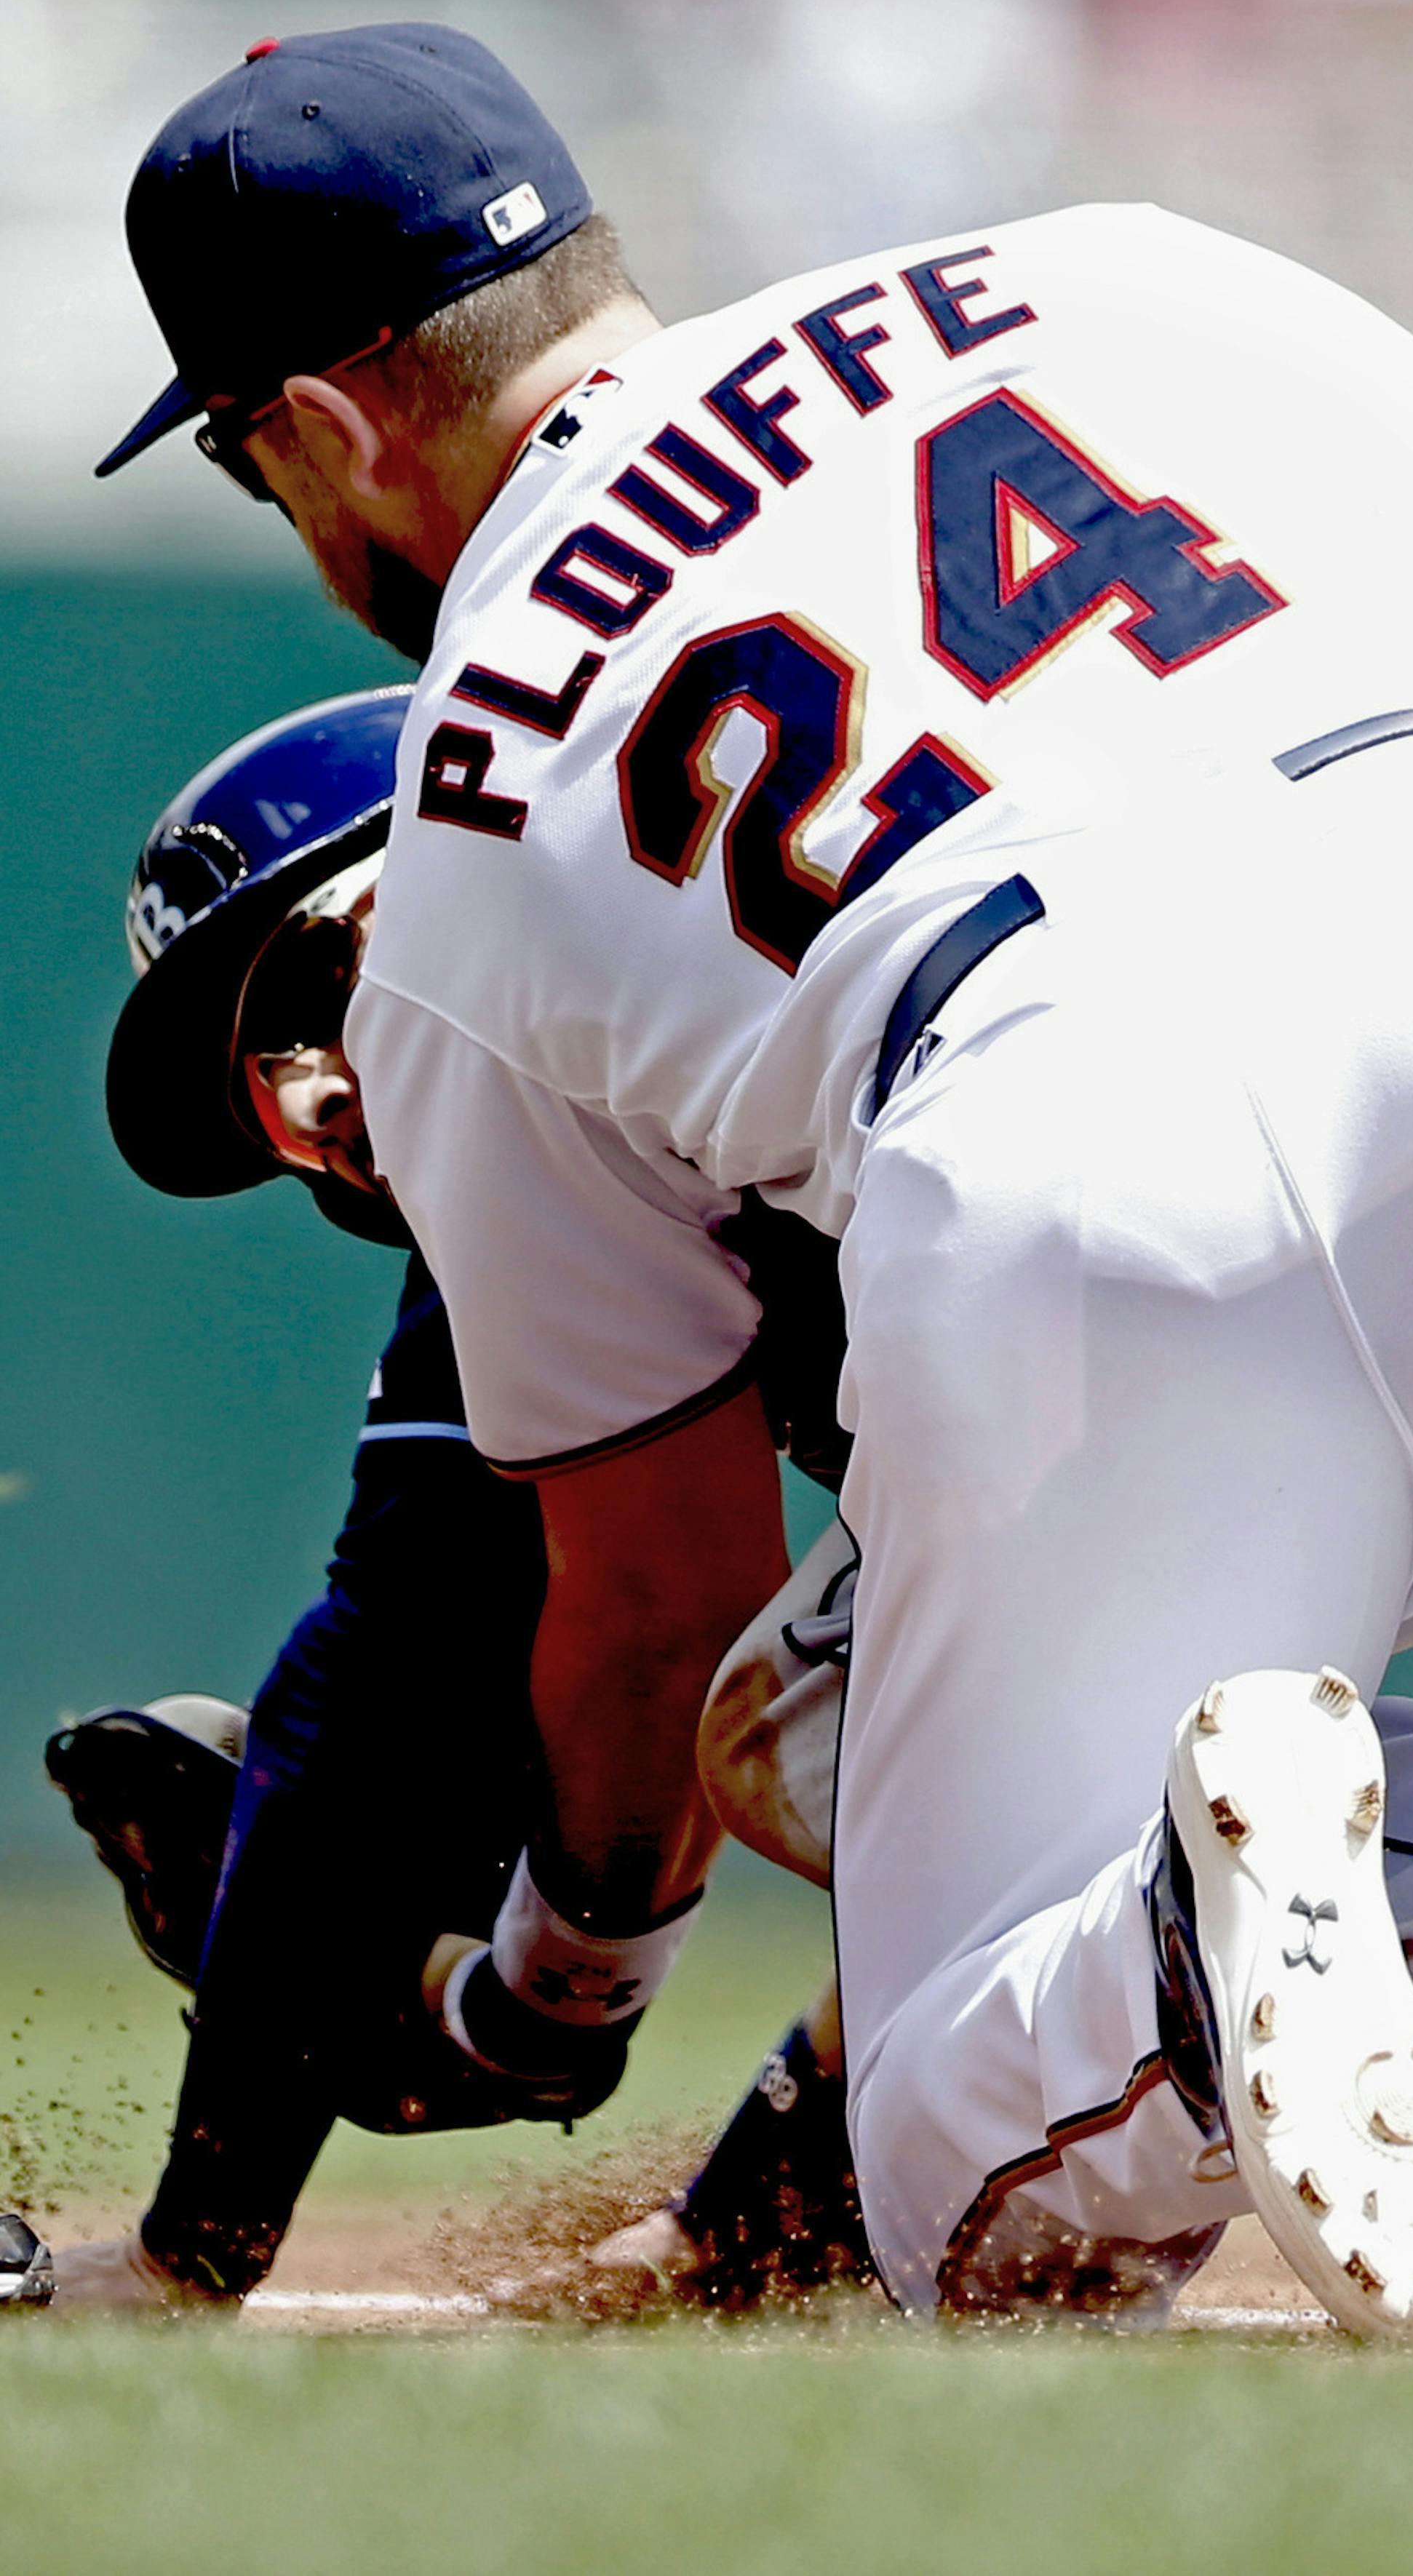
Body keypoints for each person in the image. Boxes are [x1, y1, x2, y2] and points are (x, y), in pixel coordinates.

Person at [97, 23, 1413, 2334]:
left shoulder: (470, 809)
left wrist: (548, 1992)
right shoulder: (1124, 270)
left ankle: (1291, 1935)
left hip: (1081, 1133)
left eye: (256, 469)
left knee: (974, 2181)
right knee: (831, 1683)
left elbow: (652, 1587)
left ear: (330, 418)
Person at [46, 689, 854, 2314]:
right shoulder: (666, 970)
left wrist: (185, 2253)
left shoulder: (518, 1048)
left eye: (302, 997)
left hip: (1293, 1285)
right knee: (927, 1672)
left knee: (880, 1709)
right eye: (265, 1087)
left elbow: (403, 1671)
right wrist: (525, 2008)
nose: (318, 1109)